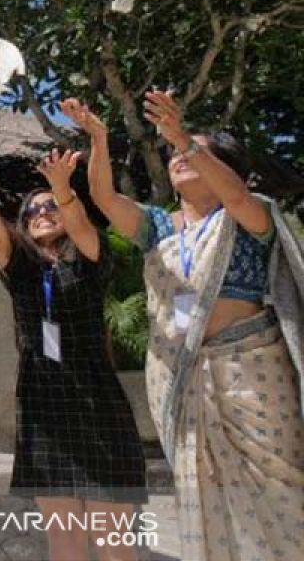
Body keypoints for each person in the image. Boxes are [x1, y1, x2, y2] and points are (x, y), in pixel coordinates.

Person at [63, 94, 304, 560]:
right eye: (174, 153)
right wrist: (97, 137)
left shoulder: (248, 214)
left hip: (250, 369)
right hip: (186, 374)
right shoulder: (160, 227)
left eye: (192, 152)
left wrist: (180, 135)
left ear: (227, 168)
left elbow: (233, 195)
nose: (178, 158)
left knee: (280, 485)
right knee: (205, 491)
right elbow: (105, 199)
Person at [0, 147, 146, 561]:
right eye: (32, 211)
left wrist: (62, 189)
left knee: (112, 538)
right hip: (43, 406)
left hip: (97, 403)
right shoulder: (21, 271)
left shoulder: (90, 261)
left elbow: (82, 228)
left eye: (50, 207)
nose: (42, 212)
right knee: (64, 541)